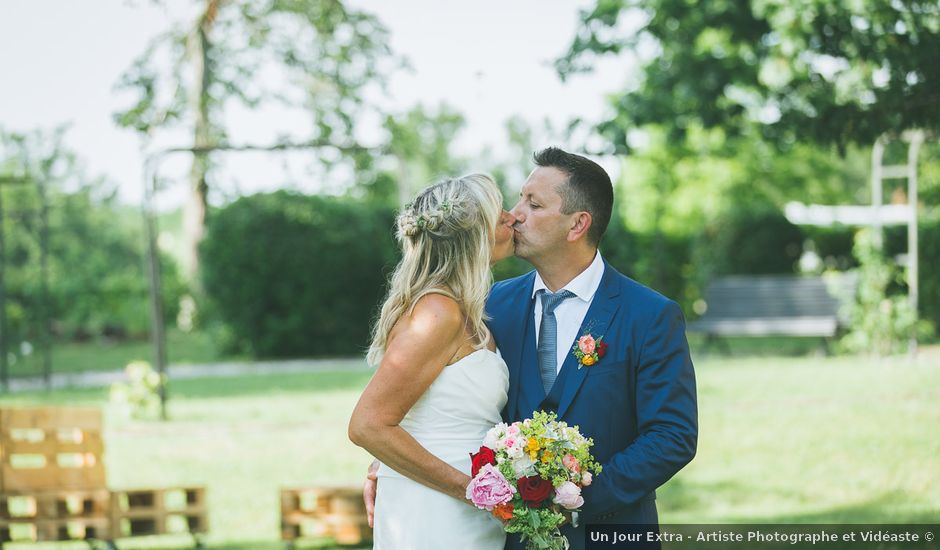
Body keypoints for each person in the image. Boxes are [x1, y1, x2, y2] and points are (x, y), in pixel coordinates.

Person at [362, 147, 698, 550]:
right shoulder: (489, 306)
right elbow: (444, 399)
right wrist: (389, 462)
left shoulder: (649, 315)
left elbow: (672, 435)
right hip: (507, 536)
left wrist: (575, 500)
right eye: (519, 198)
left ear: (577, 224)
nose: (515, 213)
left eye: (533, 203)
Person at [348, 173, 517, 549]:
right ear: (473, 235)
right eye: (499, 212)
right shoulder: (437, 313)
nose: (512, 217)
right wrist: (473, 490)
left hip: (465, 511)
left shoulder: (463, 309)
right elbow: (367, 426)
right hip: (436, 512)